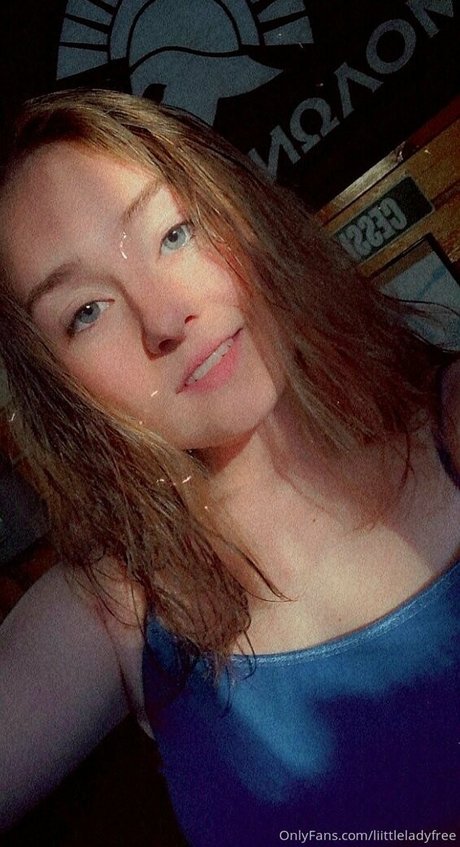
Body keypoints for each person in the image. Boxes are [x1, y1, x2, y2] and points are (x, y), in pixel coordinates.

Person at [0, 89, 459, 844]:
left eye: (174, 232)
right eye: (86, 311)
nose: (163, 317)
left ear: (239, 211)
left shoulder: (452, 422)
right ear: (62, 390)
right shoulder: (116, 606)